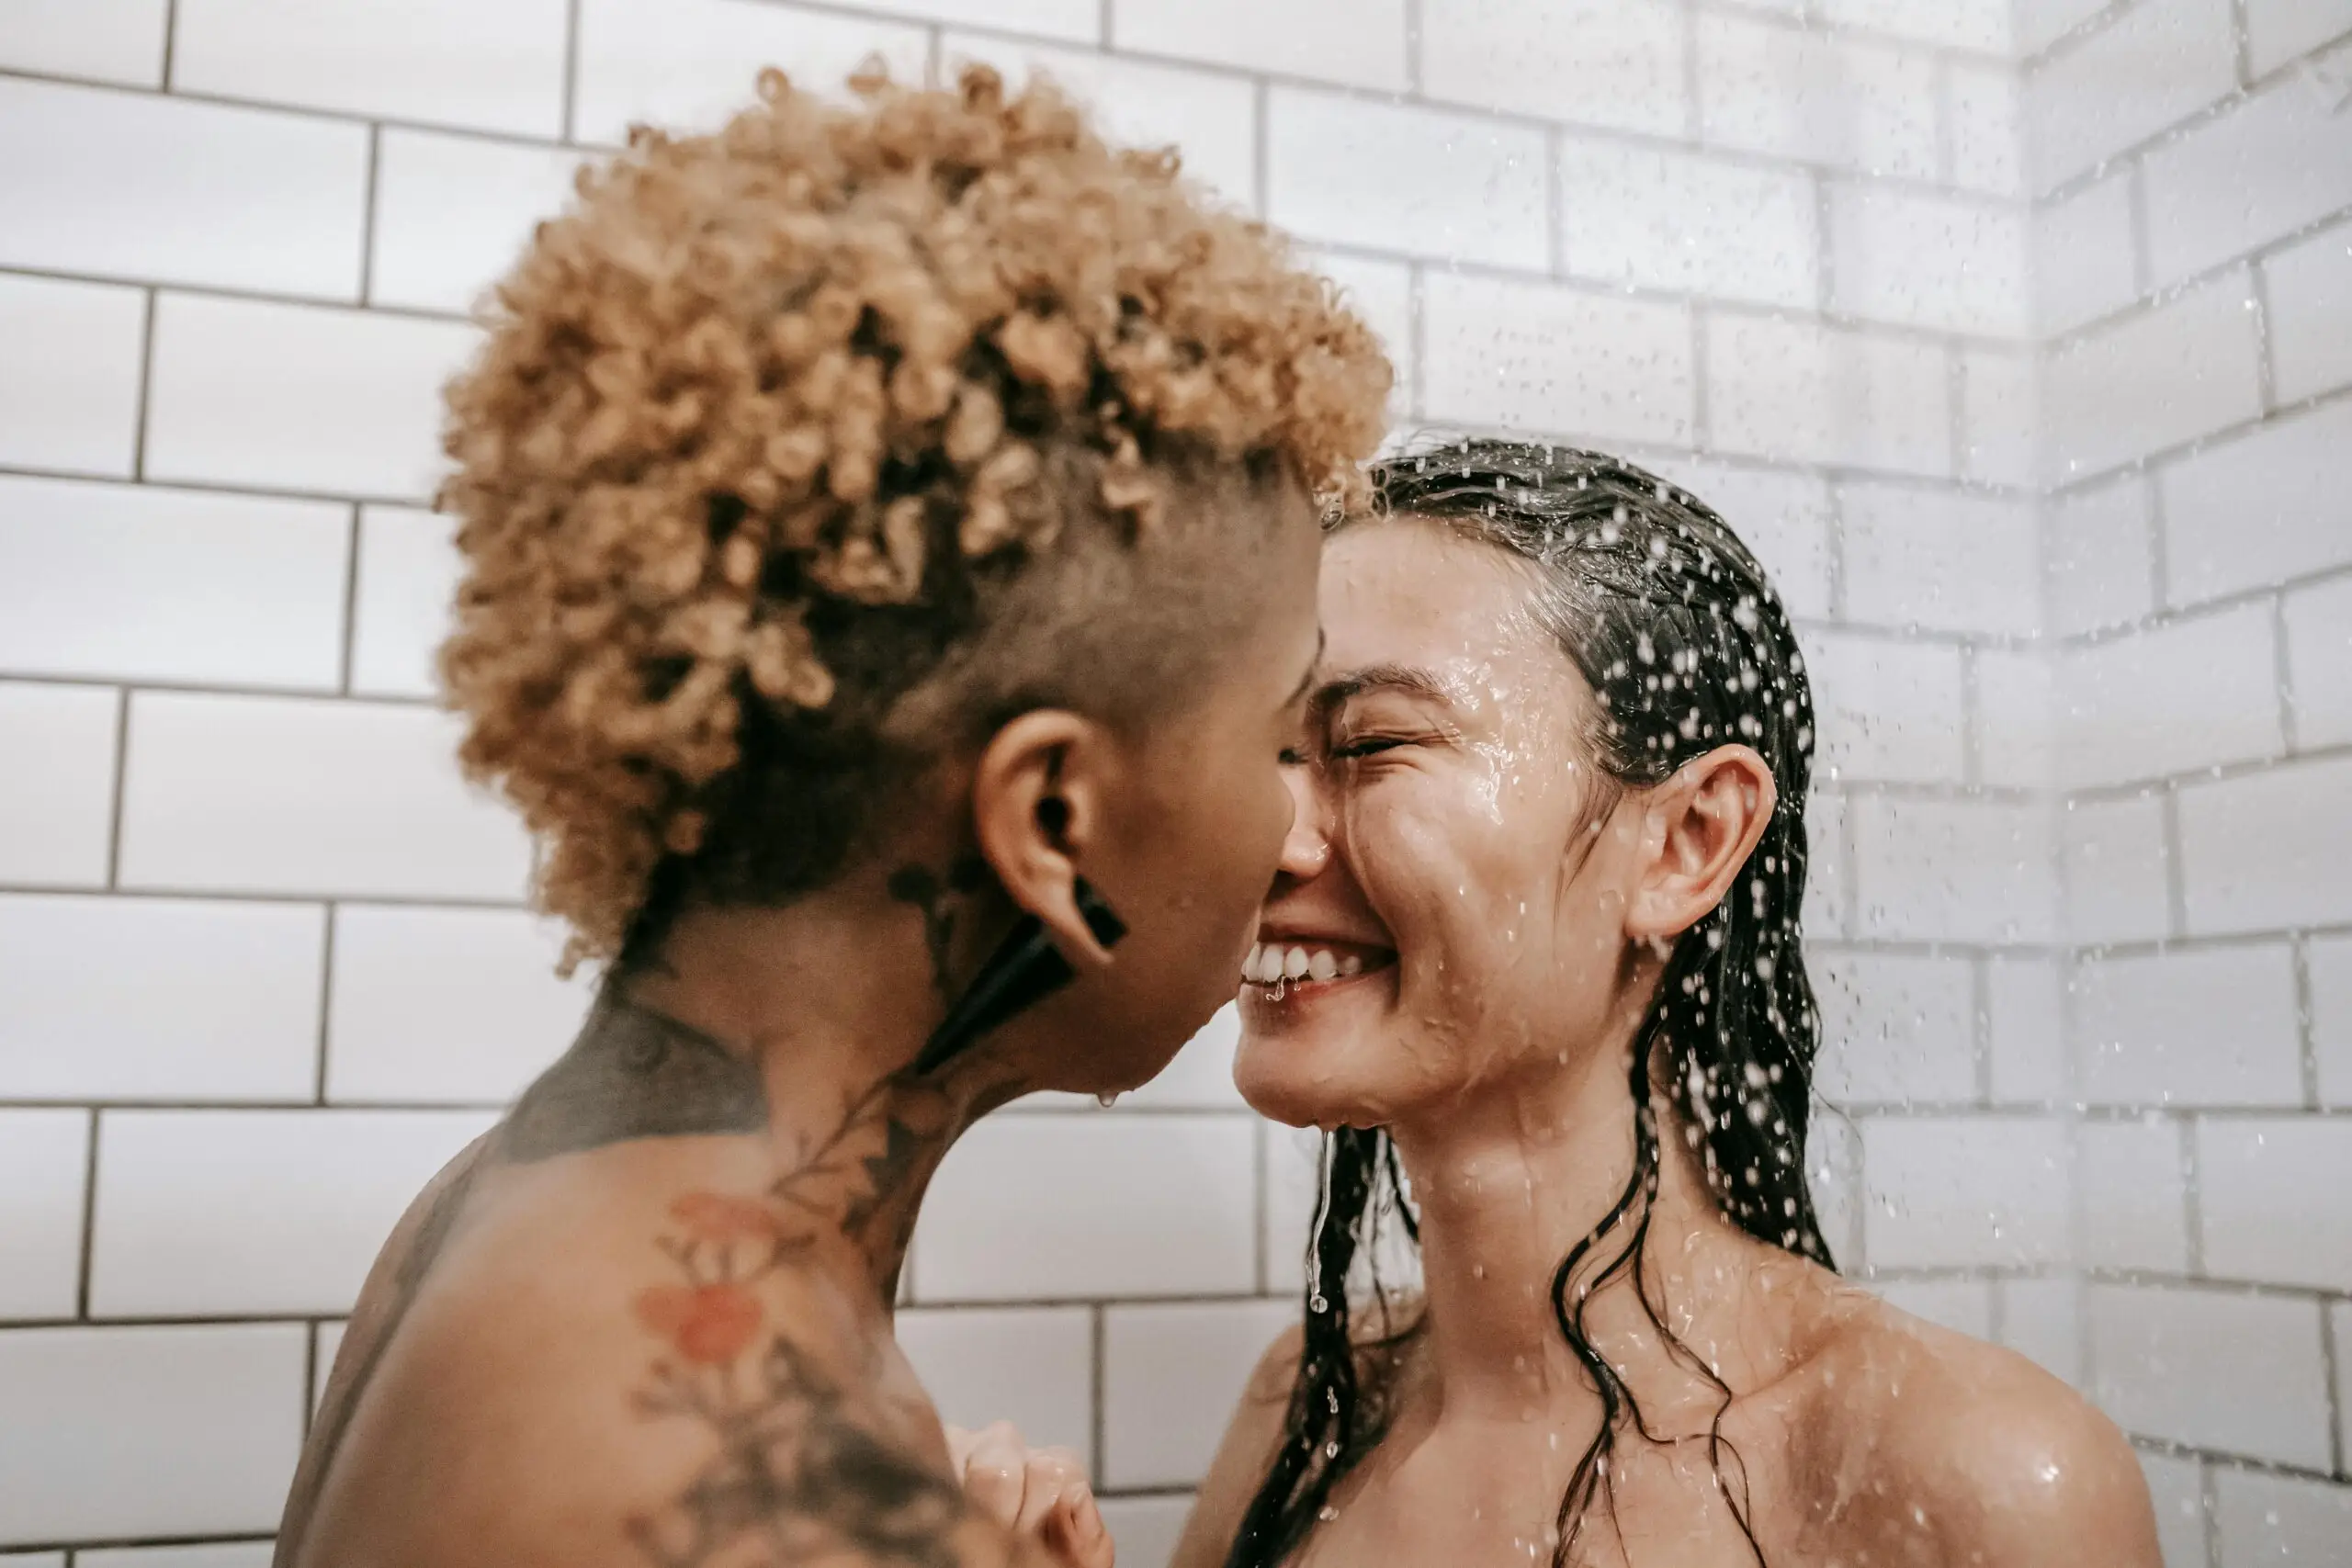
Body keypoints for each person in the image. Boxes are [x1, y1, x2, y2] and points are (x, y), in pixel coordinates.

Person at [272, 63, 1388, 1568]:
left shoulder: (529, 1207)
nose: (1303, 835)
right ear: (1052, 822)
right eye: (1277, 738)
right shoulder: (767, 1484)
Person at [1171, 440, 2162, 1568]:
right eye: (1267, 753)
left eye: (1372, 743)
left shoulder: (1960, 1476)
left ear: (1686, 842)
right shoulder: (1301, 1412)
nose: (1260, 831)